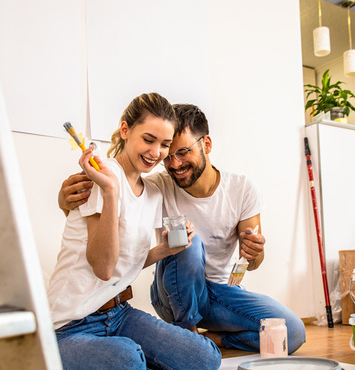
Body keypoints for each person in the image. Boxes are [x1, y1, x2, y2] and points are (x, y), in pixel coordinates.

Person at [59, 103, 306, 354]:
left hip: (218, 293)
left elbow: (252, 263)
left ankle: (214, 340)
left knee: (292, 333)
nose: (175, 164)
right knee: (190, 242)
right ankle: (189, 335)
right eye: (168, 156)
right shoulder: (158, 186)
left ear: (206, 144)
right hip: (171, 294)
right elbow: (109, 205)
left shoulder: (242, 189)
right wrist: (64, 201)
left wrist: (255, 254)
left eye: (184, 152)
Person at [48, 94, 221, 370]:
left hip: (119, 315)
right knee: (127, 364)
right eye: (149, 139)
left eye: (164, 145)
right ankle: (90, 359)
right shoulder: (103, 177)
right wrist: (111, 192)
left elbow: (128, 261)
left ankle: (130, 361)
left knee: (205, 358)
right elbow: (103, 268)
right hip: (70, 325)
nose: (156, 153)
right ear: (125, 130)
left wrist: (166, 250)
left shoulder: (151, 191)